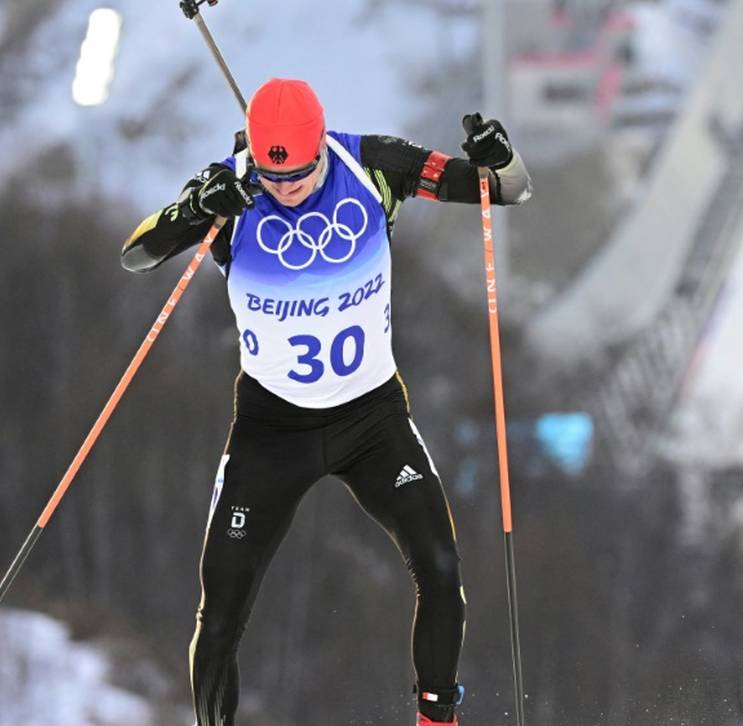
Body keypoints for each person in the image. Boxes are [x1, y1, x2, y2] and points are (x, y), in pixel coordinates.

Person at [120, 77, 531, 726]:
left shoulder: (371, 165)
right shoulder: (229, 186)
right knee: (222, 610)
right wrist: (200, 209)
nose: (286, 189)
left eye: (302, 174)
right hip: (271, 432)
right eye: (273, 177)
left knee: (442, 569)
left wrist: (497, 158)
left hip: (371, 420)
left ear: (320, 147)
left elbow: (505, 189)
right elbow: (140, 254)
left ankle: (436, 720)